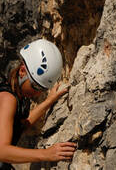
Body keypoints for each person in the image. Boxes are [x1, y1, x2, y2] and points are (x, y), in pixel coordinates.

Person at [0, 39, 77, 169]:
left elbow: (22, 124)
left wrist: (49, 100)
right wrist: (45, 154)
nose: (37, 94)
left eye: (42, 89)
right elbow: (2, 151)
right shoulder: (8, 99)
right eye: (35, 86)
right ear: (22, 71)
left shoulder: (16, 93)